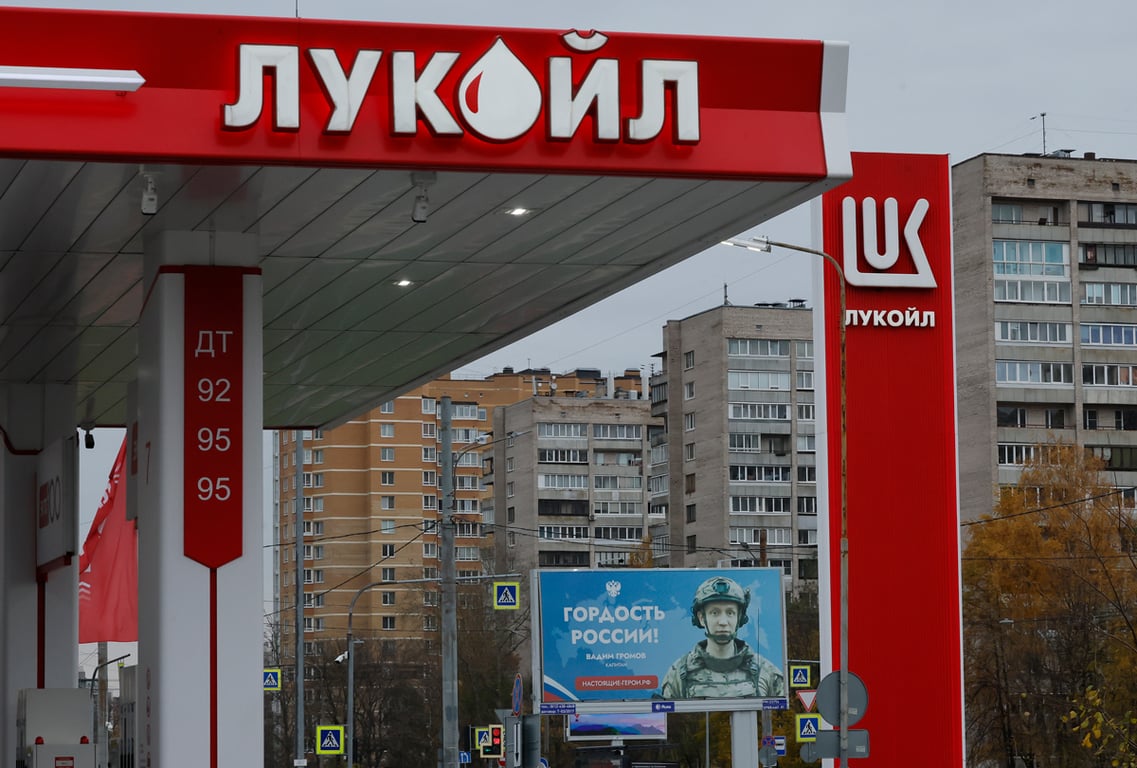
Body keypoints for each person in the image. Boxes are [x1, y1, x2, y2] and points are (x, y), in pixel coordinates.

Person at [659, 576, 785, 699]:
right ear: (702, 618)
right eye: (715, 613)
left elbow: (781, 716)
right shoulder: (679, 673)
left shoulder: (766, 672)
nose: (723, 621)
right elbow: (668, 718)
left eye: (730, 613)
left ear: (739, 617)